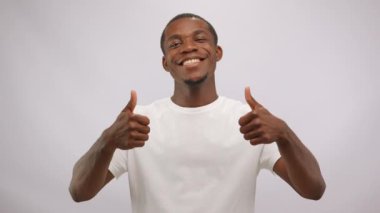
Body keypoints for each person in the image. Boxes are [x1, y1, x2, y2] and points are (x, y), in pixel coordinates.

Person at [69, 13, 326, 212]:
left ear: (217, 53)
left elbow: (314, 190)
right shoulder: (138, 124)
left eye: (200, 39)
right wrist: (107, 141)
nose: (188, 47)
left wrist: (284, 134)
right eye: (175, 43)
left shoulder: (249, 122)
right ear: (165, 63)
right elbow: (79, 192)